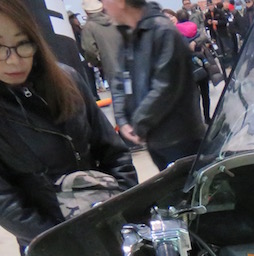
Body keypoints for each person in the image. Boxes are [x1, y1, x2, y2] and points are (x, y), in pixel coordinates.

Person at [0, 0, 138, 256]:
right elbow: (6, 203)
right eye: (0, 47)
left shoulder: (68, 79)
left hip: (115, 235)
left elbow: (114, 152)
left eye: (23, 42)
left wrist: (125, 209)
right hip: (56, 255)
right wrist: (62, 241)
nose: (14, 58)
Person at [104, 0, 207, 170]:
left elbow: (165, 86)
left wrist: (138, 124)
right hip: (154, 139)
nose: (104, 7)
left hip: (179, 138)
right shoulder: (128, 35)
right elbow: (120, 81)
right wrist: (122, 120)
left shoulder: (163, 31)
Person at [176, 7, 220, 122]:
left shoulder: (176, 31)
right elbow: (204, 36)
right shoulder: (194, 27)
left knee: (195, 97)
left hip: (189, 67)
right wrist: (195, 43)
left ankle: (198, 120)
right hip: (202, 63)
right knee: (205, 93)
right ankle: (207, 117)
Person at [80, 0, 122, 90]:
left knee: (119, 95)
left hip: (110, 68)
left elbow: (90, 50)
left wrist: (97, 63)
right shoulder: (114, 20)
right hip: (127, 64)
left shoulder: (89, 27)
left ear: (86, 11)